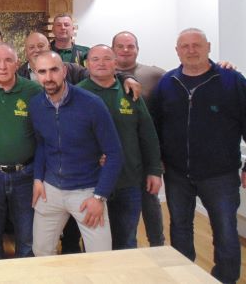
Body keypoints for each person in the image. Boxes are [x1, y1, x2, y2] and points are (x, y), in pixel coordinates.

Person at [151, 28, 246, 284]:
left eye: (197, 45)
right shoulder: (168, 83)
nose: (191, 50)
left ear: (209, 47)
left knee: (225, 231)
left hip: (220, 175)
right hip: (177, 173)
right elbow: (156, 125)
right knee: (180, 228)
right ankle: (184, 278)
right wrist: (158, 158)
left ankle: (225, 279)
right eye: (185, 46)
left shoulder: (232, 81)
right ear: (177, 51)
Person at [30, 51, 123, 256]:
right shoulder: (36, 105)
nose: (48, 77)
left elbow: (114, 153)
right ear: (36, 74)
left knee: (101, 257)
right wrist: (37, 178)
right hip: (50, 190)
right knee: (41, 252)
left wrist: (99, 196)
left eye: (54, 70)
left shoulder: (91, 104)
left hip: (87, 191)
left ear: (64, 71)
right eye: (42, 72)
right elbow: (42, 144)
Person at [77, 45, 162, 250]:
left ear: (116, 63)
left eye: (107, 58)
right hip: (91, 182)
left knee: (127, 240)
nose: (101, 63)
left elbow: (147, 134)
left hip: (128, 180)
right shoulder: (77, 94)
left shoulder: (131, 92)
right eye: (95, 59)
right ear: (87, 64)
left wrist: (154, 170)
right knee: (95, 243)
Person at [0, 43, 41, 259]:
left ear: (17, 64)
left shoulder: (34, 91)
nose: (2, 66)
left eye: (8, 60)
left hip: (26, 175)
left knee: (27, 237)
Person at [112, 30, 166, 247]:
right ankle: (125, 248)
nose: (125, 50)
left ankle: (157, 247)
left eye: (130, 46)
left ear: (137, 49)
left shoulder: (155, 75)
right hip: (117, 155)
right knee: (124, 210)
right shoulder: (102, 74)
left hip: (145, 154)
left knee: (150, 203)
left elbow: (186, 76)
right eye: (120, 46)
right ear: (113, 49)